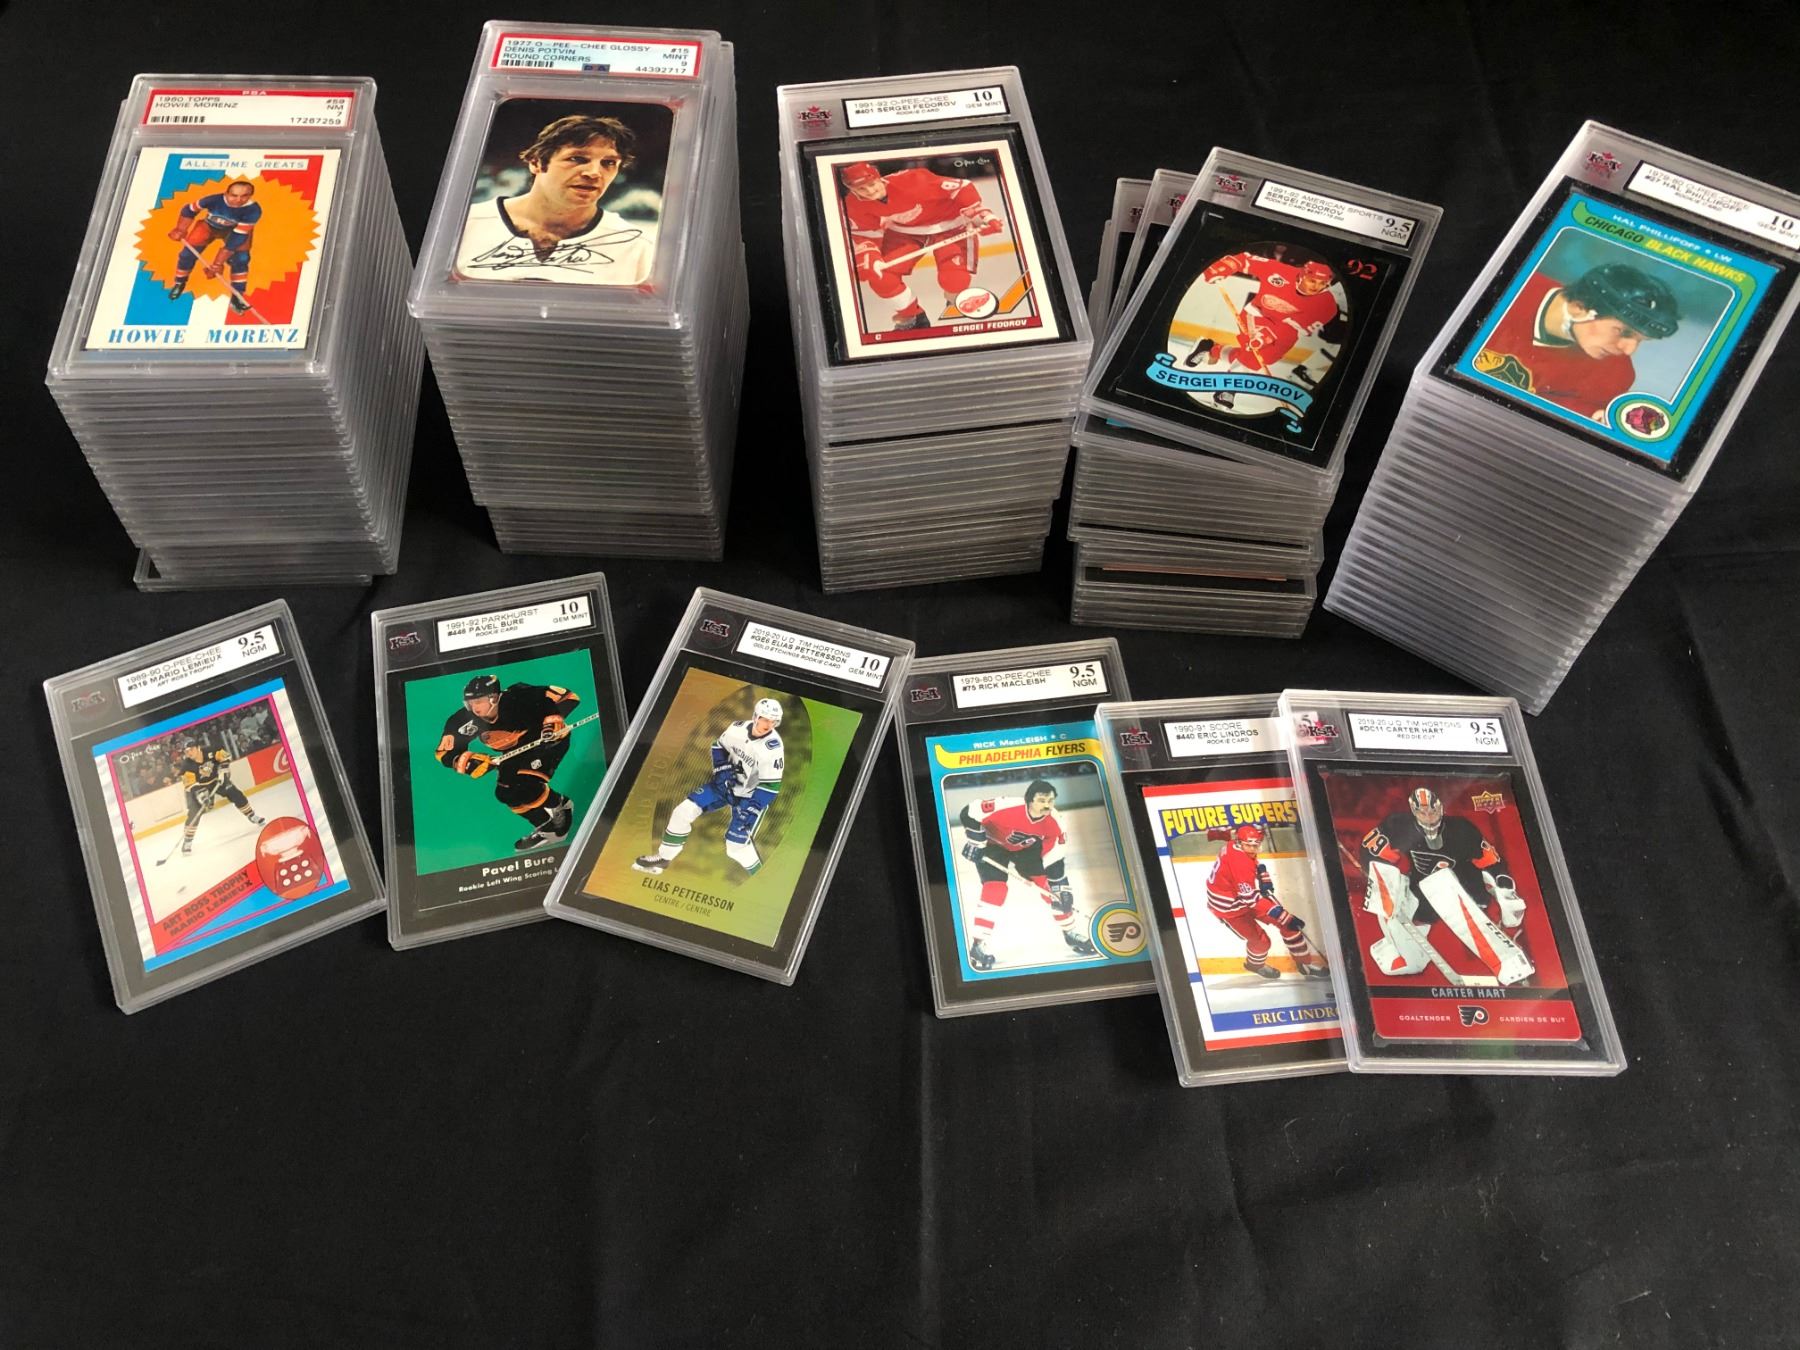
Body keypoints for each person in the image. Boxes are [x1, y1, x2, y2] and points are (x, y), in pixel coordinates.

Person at [1358, 787, 1533, 985]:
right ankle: (1399, 952)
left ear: (1441, 808)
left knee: (1439, 882)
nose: (1429, 817)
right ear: (1414, 811)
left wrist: (1504, 889)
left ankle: (1508, 963)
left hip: (1466, 890)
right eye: (1422, 812)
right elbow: (1371, 852)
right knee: (1407, 953)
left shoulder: (1461, 829)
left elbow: (1491, 862)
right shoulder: (1398, 825)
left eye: (1432, 811)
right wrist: (1386, 886)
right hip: (1424, 893)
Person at [455, 114, 657, 283]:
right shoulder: (462, 226)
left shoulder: (636, 246)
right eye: (577, 158)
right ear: (536, 163)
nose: (594, 173)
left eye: (608, 163)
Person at [1471, 261, 1679, 419]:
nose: (1628, 350)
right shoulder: (1502, 286)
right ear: (1579, 307)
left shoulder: (1615, 375)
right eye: (1622, 332)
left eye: (1641, 340)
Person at [838, 160, 1005, 331]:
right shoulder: (853, 204)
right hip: (905, 232)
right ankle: (913, 317)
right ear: (852, 190)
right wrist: (869, 257)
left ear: (878, 178)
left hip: (951, 226)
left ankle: (954, 297)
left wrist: (982, 216)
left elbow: (962, 187)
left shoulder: (913, 180)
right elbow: (864, 233)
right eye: (861, 189)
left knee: (954, 281)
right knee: (882, 278)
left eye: (872, 184)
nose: (870, 191)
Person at [956, 779, 1098, 971]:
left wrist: (1059, 885)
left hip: (1026, 851)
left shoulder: (1055, 822)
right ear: (1029, 800)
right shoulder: (1006, 806)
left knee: (1052, 890)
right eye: (1041, 800)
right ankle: (978, 944)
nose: (1047, 805)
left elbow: (1055, 856)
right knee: (996, 890)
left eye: (1050, 800)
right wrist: (976, 841)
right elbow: (969, 811)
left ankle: (1070, 932)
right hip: (992, 846)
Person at [635, 699, 785, 877]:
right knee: (682, 812)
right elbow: (718, 746)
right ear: (755, 717)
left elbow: (771, 784)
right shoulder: (736, 728)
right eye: (765, 719)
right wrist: (722, 769)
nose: (768, 725)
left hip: (749, 796)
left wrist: (753, 807)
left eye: (773, 721)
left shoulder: (773, 748)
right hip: (724, 786)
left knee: (735, 848)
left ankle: (760, 878)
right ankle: (664, 857)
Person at [437, 674, 582, 852]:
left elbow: (569, 697)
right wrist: (466, 762)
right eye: (470, 703)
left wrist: (553, 721)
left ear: (494, 698)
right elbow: (444, 752)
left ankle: (560, 810)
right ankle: (547, 826)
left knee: (526, 785)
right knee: (505, 793)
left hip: (547, 743)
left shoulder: (520, 696)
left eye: (478, 702)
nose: (474, 708)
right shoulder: (462, 720)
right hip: (515, 751)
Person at [1181, 251, 1343, 408]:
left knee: (1261, 359)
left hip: (1286, 330)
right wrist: (1223, 267)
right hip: (1257, 314)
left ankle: (1211, 349)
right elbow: (1245, 259)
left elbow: (1295, 327)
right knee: (1256, 354)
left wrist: (1267, 336)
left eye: (1322, 284)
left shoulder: (1327, 305)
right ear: (1301, 275)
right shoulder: (1281, 271)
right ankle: (1227, 389)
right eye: (1312, 281)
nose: (1316, 287)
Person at [1203, 823, 1330, 981]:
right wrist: (1281, 914)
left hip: (1241, 896)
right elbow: (1250, 899)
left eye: (1255, 845)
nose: (1253, 849)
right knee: (1262, 942)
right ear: (1240, 843)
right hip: (1229, 908)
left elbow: (1250, 858)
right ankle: (1254, 965)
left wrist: (1262, 872)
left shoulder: (1235, 844)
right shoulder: (1240, 863)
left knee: (1288, 926)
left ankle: (1304, 964)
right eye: (1249, 846)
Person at [166, 179, 261, 311]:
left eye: (244, 196)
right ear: (226, 194)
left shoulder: (253, 210)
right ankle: (179, 282)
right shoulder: (213, 199)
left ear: (250, 196)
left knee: (241, 259)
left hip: (234, 232)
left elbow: (236, 238)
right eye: (234, 195)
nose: (238, 200)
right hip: (208, 227)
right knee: (187, 255)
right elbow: (189, 210)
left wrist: (217, 263)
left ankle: (237, 296)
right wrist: (180, 229)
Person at [176, 738, 264, 855]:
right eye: (186, 751)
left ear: (198, 747)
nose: (189, 753)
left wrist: (223, 769)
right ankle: (187, 841)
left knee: (235, 794)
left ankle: (252, 815)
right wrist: (202, 796)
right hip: (198, 788)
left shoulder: (211, 750)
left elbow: (226, 756)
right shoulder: (186, 766)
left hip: (216, 781)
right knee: (194, 812)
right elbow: (191, 785)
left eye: (191, 749)